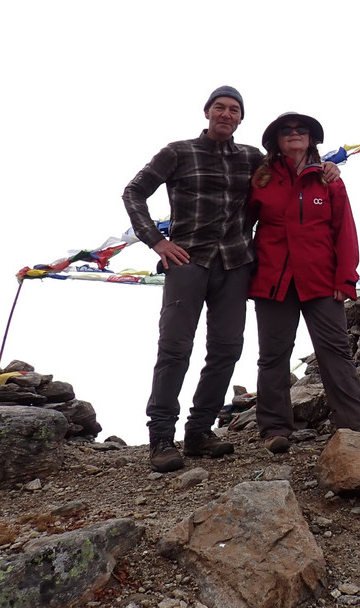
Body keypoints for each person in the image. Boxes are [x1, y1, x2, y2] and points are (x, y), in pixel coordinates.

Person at [122, 86, 262, 473]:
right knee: (174, 349)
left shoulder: (253, 158)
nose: (226, 114)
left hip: (235, 263)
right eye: (220, 107)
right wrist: (157, 241)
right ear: (207, 112)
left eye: (234, 109)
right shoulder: (178, 152)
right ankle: (161, 438)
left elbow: (291, 179)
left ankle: (199, 431)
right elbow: (134, 191)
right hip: (187, 262)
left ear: (240, 118)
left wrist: (327, 166)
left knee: (227, 348)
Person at [249, 111, 360, 452]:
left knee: (336, 352)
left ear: (311, 138)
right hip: (273, 280)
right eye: (286, 130)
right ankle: (274, 430)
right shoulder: (259, 179)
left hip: (321, 280)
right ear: (275, 140)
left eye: (300, 129)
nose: (294, 133)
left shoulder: (329, 179)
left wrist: (345, 278)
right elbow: (242, 227)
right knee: (273, 355)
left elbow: (344, 231)